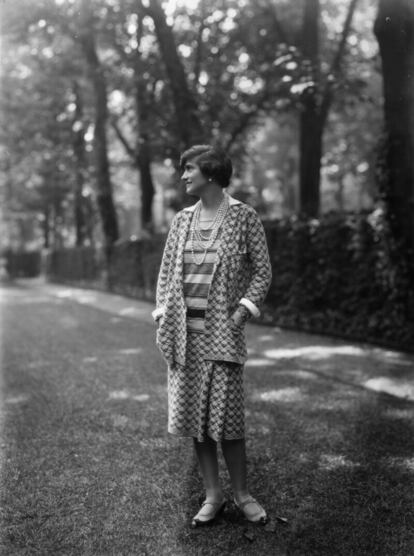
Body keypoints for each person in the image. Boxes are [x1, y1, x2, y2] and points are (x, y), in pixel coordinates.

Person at [152, 145, 272, 527]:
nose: (183, 176)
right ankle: (213, 495)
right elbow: (167, 274)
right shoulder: (181, 221)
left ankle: (243, 494)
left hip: (223, 333)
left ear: (211, 172)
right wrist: (162, 315)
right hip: (185, 335)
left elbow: (262, 271)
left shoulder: (243, 217)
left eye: (189, 169)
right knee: (195, 421)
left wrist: (242, 310)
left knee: (229, 421)